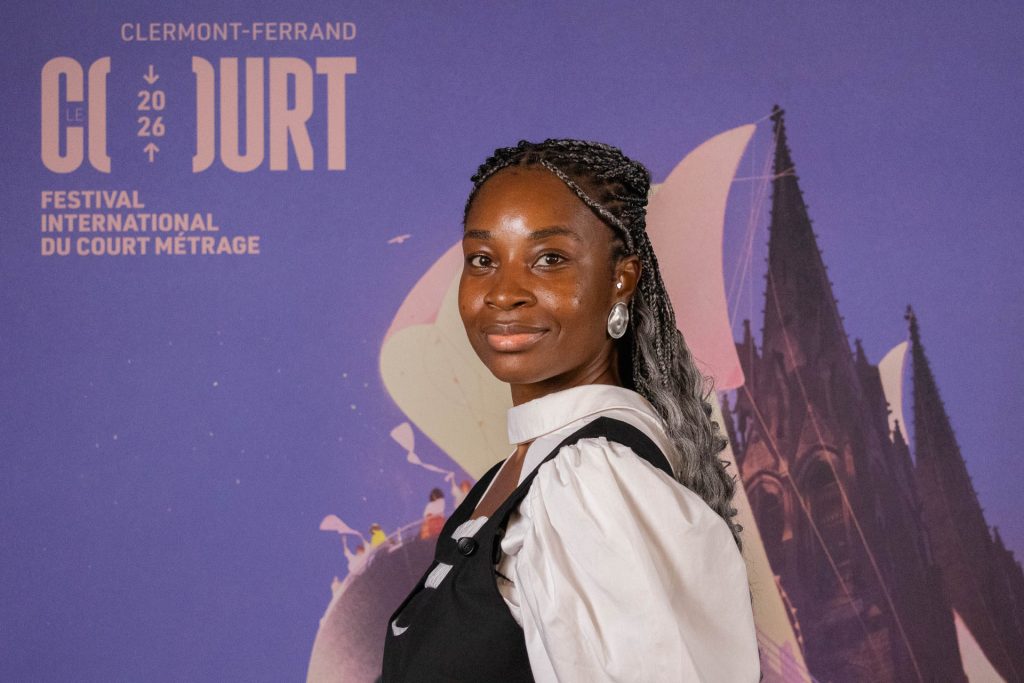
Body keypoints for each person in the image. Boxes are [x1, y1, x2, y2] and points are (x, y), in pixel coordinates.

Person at [380, 139, 760, 681]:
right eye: (483, 260)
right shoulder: (524, 472)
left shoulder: (589, 480)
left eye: (549, 259)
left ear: (621, 279)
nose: (504, 293)